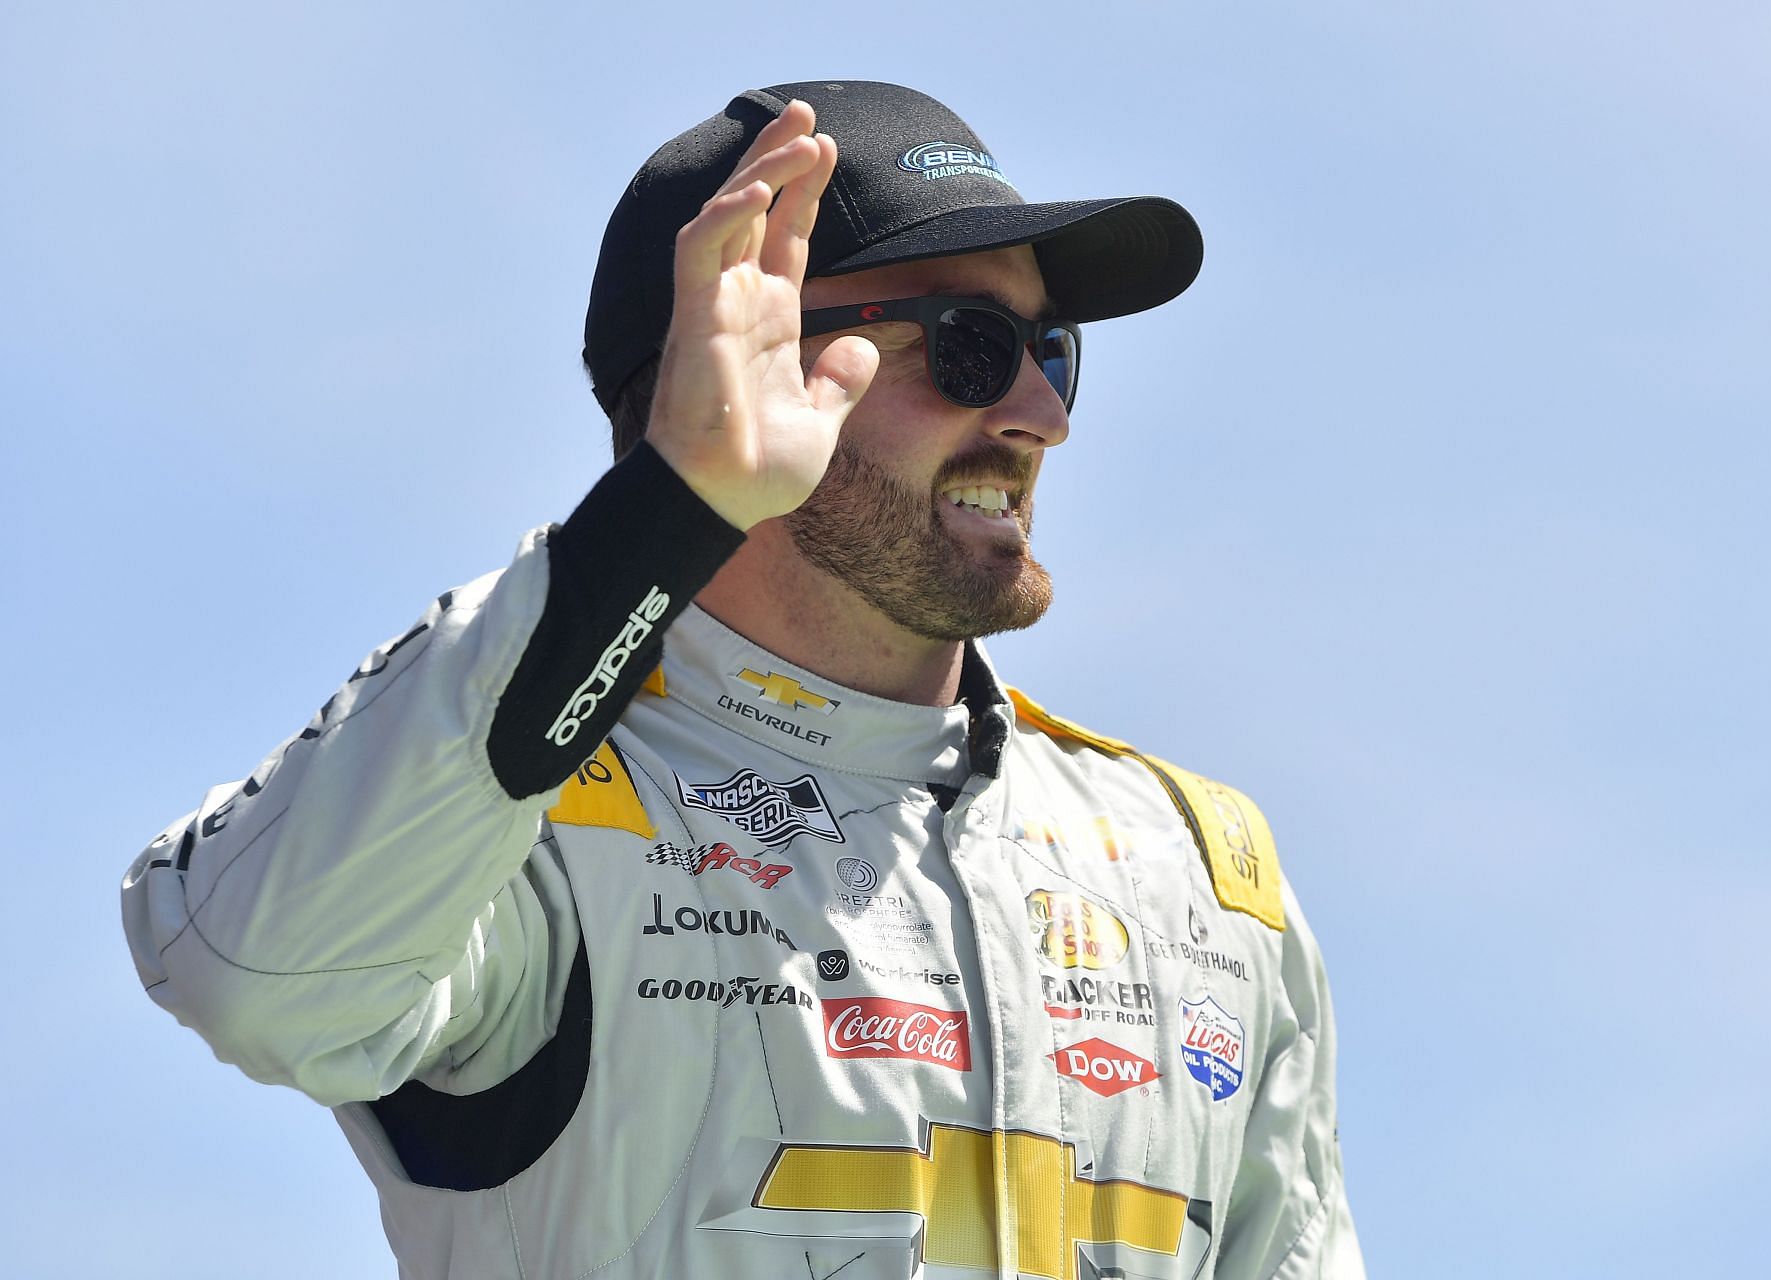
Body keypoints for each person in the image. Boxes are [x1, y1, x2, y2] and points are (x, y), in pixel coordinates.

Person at [121, 80, 1364, 1279]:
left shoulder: (1200, 871)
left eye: (1051, 348)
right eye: (972, 347)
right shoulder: (522, 816)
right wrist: (666, 509)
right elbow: (254, 978)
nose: (1044, 410)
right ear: (727, 368)